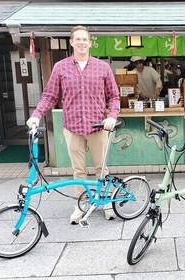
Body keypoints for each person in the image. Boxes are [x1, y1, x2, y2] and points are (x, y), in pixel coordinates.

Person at [26, 25, 120, 224]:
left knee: (101, 169)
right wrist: (36, 115)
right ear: (71, 42)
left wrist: (112, 115)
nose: (81, 43)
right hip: (73, 127)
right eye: (77, 39)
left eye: (84, 39)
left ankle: (107, 202)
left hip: (98, 127)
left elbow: (114, 96)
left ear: (90, 42)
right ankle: (80, 204)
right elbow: (50, 96)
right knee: (78, 171)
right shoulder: (61, 67)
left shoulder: (102, 67)